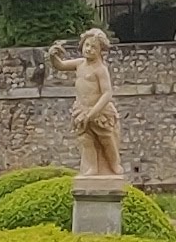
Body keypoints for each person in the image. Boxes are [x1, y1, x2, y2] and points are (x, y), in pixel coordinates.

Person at [48, 18, 122, 180]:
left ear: (100, 50)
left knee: (106, 139)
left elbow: (107, 93)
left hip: (99, 111)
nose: (89, 49)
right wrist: (53, 55)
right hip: (81, 109)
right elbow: (60, 65)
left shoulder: (100, 70)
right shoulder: (79, 63)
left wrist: (93, 113)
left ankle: (114, 163)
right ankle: (92, 167)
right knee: (85, 140)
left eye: (93, 47)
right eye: (87, 45)